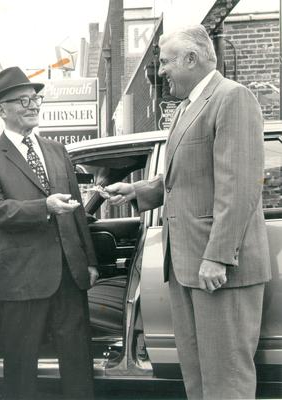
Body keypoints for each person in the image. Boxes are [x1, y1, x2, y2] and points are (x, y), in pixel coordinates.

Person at [100, 25, 271, 399]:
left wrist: (217, 256)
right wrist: (138, 190)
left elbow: (239, 187)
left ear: (191, 59)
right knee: (197, 377)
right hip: (188, 266)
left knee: (226, 379)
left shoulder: (232, 98)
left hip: (220, 269)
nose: (160, 71)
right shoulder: (186, 108)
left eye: (165, 61)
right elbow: (185, 177)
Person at [0, 66, 99, 400]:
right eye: (22, 100)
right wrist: (44, 207)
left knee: (77, 361)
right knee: (22, 365)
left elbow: (78, 210)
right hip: (22, 277)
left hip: (70, 274)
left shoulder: (57, 150)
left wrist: (90, 262)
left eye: (35, 99)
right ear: (2, 109)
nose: (32, 105)